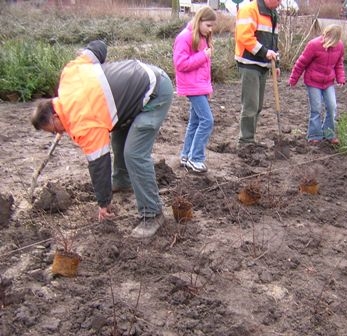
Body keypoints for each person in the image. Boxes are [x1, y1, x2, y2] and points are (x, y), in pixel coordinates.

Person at [31, 40, 173, 239]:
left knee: (134, 154)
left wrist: (103, 203)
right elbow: (98, 47)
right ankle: (123, 181)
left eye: (53, 129)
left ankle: (152, 213)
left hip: (155, 92)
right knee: (118, 139)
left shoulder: (83, 122)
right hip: (140, 82)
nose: (58, 134)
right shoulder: (69, 75)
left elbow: (99, 165)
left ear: (55, 116)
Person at [173, 6, 217, 173]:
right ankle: (195, 158)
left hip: (200, 87)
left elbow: (205, 69)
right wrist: (203, 56)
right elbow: (180, 64)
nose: (210, 29)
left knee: (196, 122)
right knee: (207, 121)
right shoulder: (185, 38)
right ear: (199, 21)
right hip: (192, 87)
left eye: (212, 26)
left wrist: (208, 88)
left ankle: (186, 155)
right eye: (208, 25)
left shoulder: (203, 37)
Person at [288, 24, 346, 145]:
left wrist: (340, 78)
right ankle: (314, 135)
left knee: (332, 107)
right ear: (325, 34)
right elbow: (301, 63)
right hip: (313, 81)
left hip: (328, 82)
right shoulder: (314, 45)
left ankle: (329, 133)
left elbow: (339, 64)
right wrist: (293, 79)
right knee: (316, 108)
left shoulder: (339, 46)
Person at [234, 0, 281, 146]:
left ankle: (250, 138)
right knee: (251, 105)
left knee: (258, 106)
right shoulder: (249, 9)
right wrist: (265, 52)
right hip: (249, 63)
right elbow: (244, 37)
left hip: (263, 65)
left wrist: (276, 63)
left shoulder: (272, 13)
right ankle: (245, 141)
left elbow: (273, 41)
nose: (280, 3)